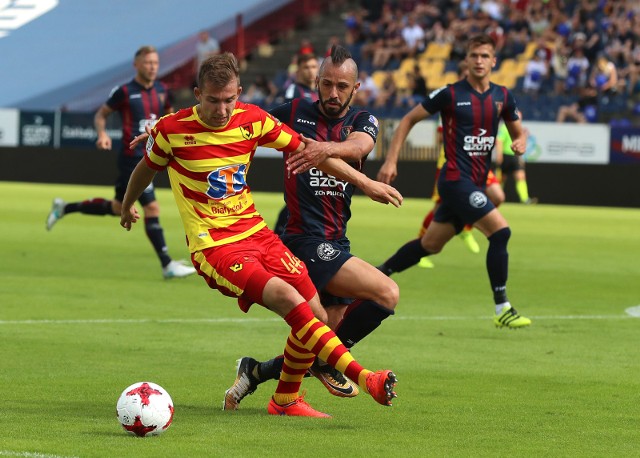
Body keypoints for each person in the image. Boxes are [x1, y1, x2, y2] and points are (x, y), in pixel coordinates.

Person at [121, 52, 397, 417]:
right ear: (197, 94)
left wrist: (366, 183)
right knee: (288, 298)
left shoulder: (252, 119)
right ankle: (365, 378)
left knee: (316, 313)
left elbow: (309, 151)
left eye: (229, 100)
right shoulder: (172, 131)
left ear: (239, 93)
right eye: (213, 100)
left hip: (258, 234)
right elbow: (145, 168)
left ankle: (285, 398)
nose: (222, 110)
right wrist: (127, 205)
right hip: (216, 246)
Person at [223, 45, 403, 410]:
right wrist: (173, 129)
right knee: (386, 293)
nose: (332, 93)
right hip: (302, 239)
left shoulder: (363, 120)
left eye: (341, 86)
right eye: (326, 84)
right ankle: (324, 366)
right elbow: (242, 121)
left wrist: (324, 149)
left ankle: (257, 372)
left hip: (338, 239)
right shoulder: (293, 112)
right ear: (316, 82)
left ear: (355, 88)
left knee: (322, 332)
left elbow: (360, 146)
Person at [374, 34, 532, 329]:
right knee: (500, 233)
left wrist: (520, 141)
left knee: (429, 245)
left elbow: (520, 131)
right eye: (475, 55)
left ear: (494, 61)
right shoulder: (449, 94)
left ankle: (375, 274)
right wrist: (391, 160)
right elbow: (408, 119)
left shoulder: (503, 97)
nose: (480, 61)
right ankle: (502, 307)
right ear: (466, 61)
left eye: (485, 56)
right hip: (455, 180)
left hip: (476, 182)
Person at [45, 45, 196, 279]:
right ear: (136, 65)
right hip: (132, 159)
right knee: (152, 208)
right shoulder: (124, 91)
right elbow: (101, 114)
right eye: (147, 63)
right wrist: (102, 134)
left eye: (155, 63)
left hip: (153, 155)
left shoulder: (163, 90)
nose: (153, 67)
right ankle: (167, 264)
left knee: (117, 208)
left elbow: (170, 117)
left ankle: (64, 207)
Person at [273, 52, 320, 235]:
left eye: (314, 67)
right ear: (298, 70)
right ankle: (278, 237)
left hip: (316, 151)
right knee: (300, 199)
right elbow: (285, 119)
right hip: (299, 151)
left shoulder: (319, 92)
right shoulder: (294, 91)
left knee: (307, 198)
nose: (311, 71)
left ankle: (281, 238)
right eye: (307, 67)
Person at [495, 114, 537, 204]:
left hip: (515, 156)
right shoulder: (505, 127)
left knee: (521, 176)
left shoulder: (520, 129)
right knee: (501, 178)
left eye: (520, 118)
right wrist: (499, 155)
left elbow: (520, 144)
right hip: (505, 155)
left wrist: (521, 157)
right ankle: (495, 197)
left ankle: (525, 199)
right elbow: (499, 140)